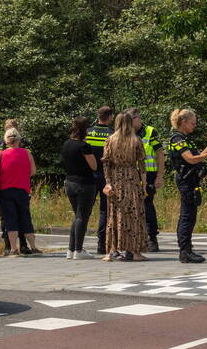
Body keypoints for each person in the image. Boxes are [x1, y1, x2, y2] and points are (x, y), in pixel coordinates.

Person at [168, 109, 207, 263]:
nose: (195, 125)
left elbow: (198, 158)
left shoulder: (185, 139)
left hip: (191, 180)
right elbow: (191, 159)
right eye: (193, 123)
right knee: (187, 216)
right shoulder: (177, 139)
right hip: (185, 180)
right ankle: (185, 252)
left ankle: (188, 249)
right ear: (183, 122)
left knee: (190, 215)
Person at [101, 112, 148, 262]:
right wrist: (144, 184)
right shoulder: (136, 140)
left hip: (116, 180)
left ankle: (110, 251)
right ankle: (134, 252)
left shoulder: (110, 140)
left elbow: (106, 163)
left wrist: (108, 182)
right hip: (132, 179)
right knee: (134, 215)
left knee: (114, 214)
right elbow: (142, 164)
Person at [0, 127, 42, 256]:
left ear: (6, 141)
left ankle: (13, 249)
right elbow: (33, 171)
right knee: (25, 217)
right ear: (19, 140)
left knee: (10, 218)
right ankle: (33, 247)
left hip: (6, 190)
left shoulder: (1, 154)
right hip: (23, 190)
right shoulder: (27, 153)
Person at [125, 107, 165, 252]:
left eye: (130, 121)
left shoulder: (150, 131)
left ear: (137, 119)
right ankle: (134, 238)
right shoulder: (126, 132)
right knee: (130, 206)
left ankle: (152, 238)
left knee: (147, 205)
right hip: (130, 174)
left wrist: (160, 176)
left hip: (148, 173)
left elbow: (160, 154)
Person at [62, 116, 97, 260]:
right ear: (85, 129)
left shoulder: (67, 144)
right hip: (84, 184)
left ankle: (71, 249)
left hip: (69, 181)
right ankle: (79, 249)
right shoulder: (84, 146)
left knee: (77, 216)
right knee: (82, 216)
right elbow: (93, 166)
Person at [0, 119, 31, 254]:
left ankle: (23, 244)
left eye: (12, 128)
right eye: (7, 128)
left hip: (20, 183)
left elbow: (28, 162)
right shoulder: (0, 144)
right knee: (7, 217)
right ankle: (8, 245)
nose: (10, 132)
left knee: (21, 214)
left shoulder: (24, 144)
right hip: (5, 183)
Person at [86, 106, 114, 254]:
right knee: (105, 210)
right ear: (109, 117)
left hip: (88, 176)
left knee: (85, 210)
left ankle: (77, 244)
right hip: (105, 176)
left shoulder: (87, 132)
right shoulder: (111, 134)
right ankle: (101, 244)